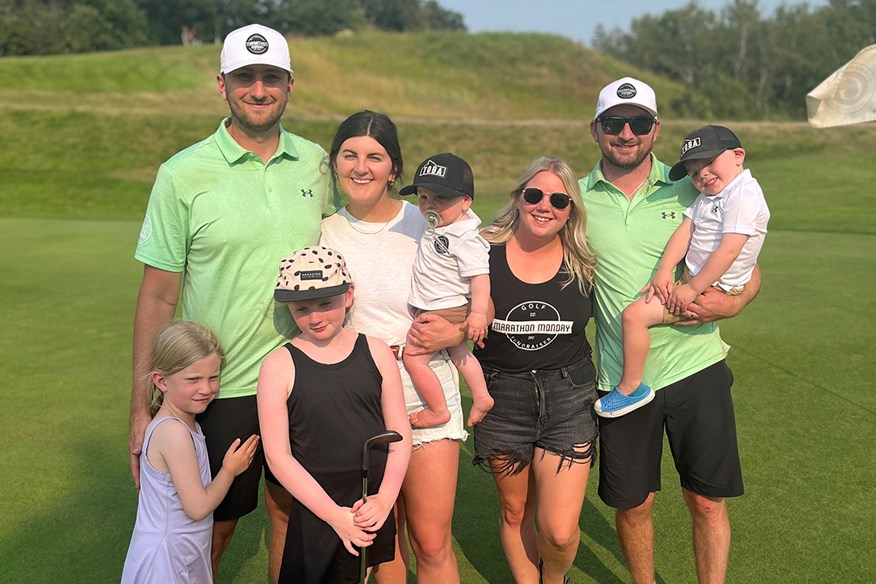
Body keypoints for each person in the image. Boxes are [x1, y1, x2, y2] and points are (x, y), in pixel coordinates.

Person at [128, 23, 337, 582]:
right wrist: (140, 408)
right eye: (246, 77)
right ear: (222, 84)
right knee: (213, 524)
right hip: (223, 389)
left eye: (272, 78)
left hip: (305, 379)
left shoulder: (317, 164)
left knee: (292, 510)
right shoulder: (181, 173)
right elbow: (157, 293)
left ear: (290, 85)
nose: (259, 89)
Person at [579, 76, 761, 584]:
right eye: (614, 123)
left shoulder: (696, 183)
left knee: (706, 500)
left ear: (655, 128)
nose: (626, 133)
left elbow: (748, 259)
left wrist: (735, 302)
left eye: (638, 123)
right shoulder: (574, 198)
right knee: (634, 504)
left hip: (696, 366)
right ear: (596, 129)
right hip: (622, 381)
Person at [320, 110, 466, 583]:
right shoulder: (323, 232)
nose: (361, 168)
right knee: (383, 544)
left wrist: (457, 329)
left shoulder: (427, 224)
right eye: (350, 155)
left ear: (394, 169)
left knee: (430, 541)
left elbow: (472, 300)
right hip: (358, 397)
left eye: (375, 158)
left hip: (427, 392)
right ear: (335, 163)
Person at [472, 156, 599, 584]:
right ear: (518, 198)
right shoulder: (481, 253)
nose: (545, 206)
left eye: (559, 200)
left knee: (559, 533)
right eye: (534, 195)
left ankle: (554, 578)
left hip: (569, 396)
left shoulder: (585, 264)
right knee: (515, 510)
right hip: (500, 397)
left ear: (570, 211)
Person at [257, 246, 412, 583]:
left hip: (370, 501)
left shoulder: (377, 351)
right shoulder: (278, 366)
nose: (315, 317)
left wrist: (385, 499)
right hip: (315, 504)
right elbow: (278, 455)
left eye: (326, 303)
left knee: (359, 574)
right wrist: (333, 515)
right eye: (302, 308)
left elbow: (399, 433)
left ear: (349, 295)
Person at [595, 124, 770, 418]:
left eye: (710, 162)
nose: (702, 174)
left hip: (712, 289)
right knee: (635, 315)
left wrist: (690, 289)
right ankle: (632, 385)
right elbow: (685, 231)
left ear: (738, 155)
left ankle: (630, 387)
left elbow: (729, 250)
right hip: (695, 283)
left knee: (633, 316)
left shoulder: (743, 195)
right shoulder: (712, 196)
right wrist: (664, 271)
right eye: (693, 171)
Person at [122, 321, 260, 584]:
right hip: (166, 560)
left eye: (213, 377)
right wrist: (230, 470)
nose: (206, 389)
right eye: (193, 379)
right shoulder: (173, 433)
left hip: (181, 552)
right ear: (161, 381)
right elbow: (197, 507)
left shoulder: (186, 423)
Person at [398, 153, 494, 429]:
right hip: (442, 305)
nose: (430, 206)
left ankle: (438, 410)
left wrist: (477, 314)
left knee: (414, 357)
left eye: (441, 199)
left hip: (444, 307)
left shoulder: (465, 238)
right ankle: (481, 395)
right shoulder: (440, 226)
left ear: (466, 201)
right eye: (424, 197)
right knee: (459, 352)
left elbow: (480, 277)